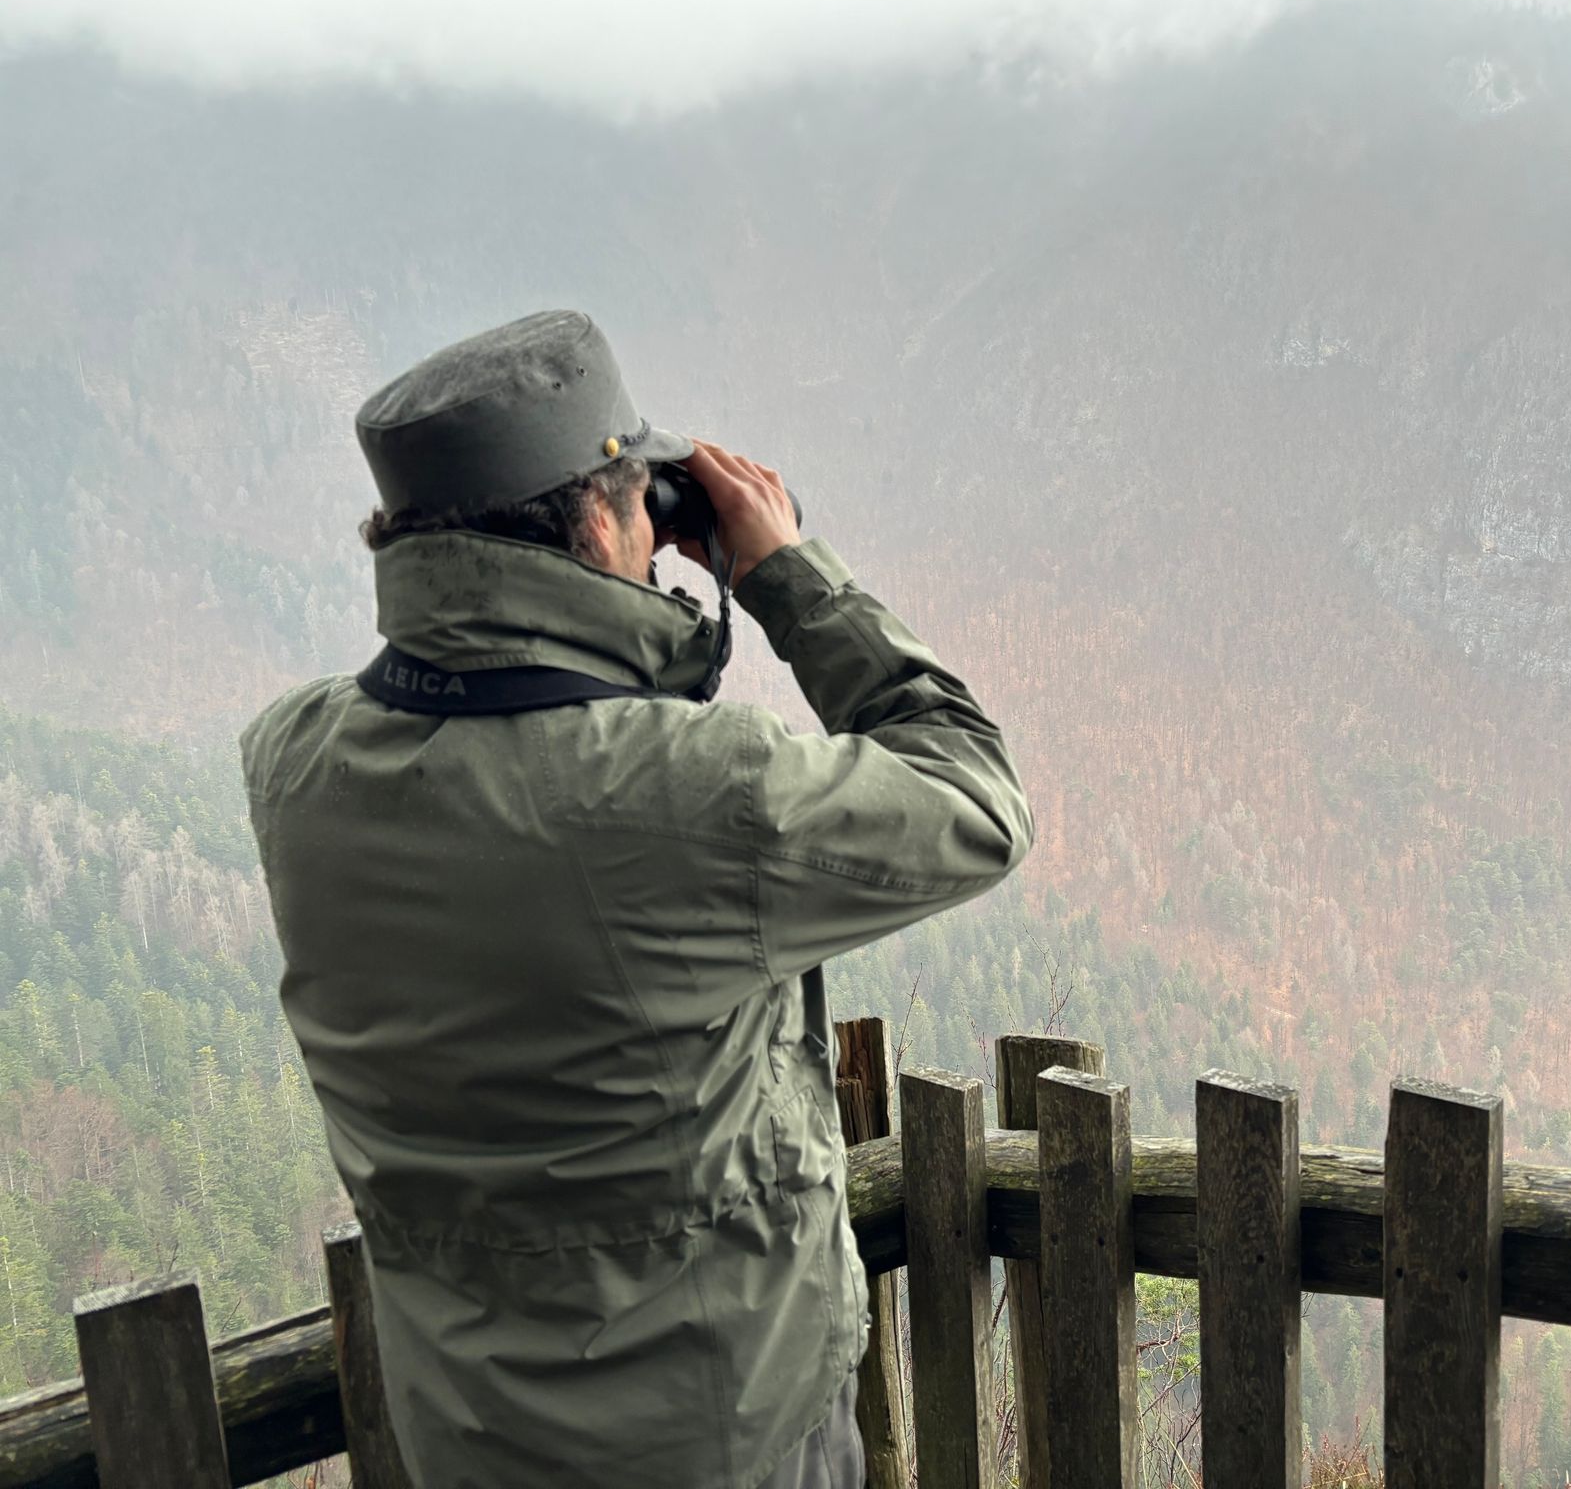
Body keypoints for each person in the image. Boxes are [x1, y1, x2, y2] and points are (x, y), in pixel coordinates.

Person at [240, 310, 1032, 1489]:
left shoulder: (294, 764)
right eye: (638, 500)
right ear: (605, 518)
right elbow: (976, 799)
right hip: (725, 1439)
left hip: (470, 1441)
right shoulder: (691, 791)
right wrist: (782, 576)